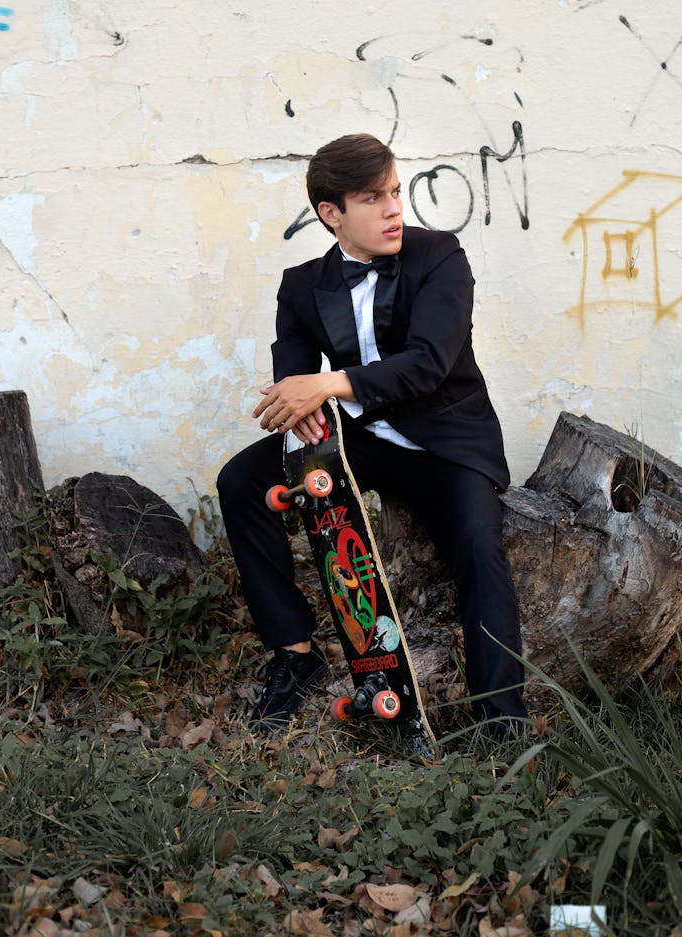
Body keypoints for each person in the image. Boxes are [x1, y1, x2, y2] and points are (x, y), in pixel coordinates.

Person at [217, 133, 527, 737]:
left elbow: (429, 362)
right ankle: (293, 653)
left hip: (445, 443)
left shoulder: (439, 257)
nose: (393, 210)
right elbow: (295, 371)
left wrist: (325, 388)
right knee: (241, 481)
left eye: (394, 192)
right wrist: (300, 403)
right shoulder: (302, 285)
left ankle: (503, 720)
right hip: (360, 442)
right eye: (372, 198)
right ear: (331, 214)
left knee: (478, 545)